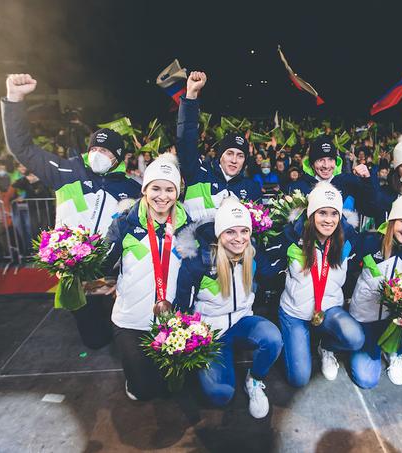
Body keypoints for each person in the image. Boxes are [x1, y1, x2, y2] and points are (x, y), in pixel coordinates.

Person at [2, 73, 141, 349]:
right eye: (96, 148)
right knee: (96, 341)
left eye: (108, 151)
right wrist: (15, 100)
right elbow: (23, 148)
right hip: (77, 276)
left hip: (115, 276)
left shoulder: (131, 188)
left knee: (123, 334)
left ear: (119, 158)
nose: (100, 154)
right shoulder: (66, 170)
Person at [174, 197, 282, 418]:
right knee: (220, 395)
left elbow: (271, 273)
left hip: (242, 321)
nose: (239, 238)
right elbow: (182, 307)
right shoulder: (199, 262)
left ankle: (254, 380)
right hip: (211, 331)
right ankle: (213, 365)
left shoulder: (251, 253)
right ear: (219, 233)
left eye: (244, 231)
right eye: (231, 232)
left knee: (273, 339)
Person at [103, 154, 190, 400]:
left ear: (177, 192)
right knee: (143, 390)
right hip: (132, 320)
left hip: (171, 322)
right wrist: (80, 259)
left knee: (172, 387)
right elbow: (103, 265)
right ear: (144, 189)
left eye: (169, 189)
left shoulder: (186, 226)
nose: (162, 196)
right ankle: (135, 380)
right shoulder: (125, 224)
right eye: (156, 188)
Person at [273, 182, 365, 387]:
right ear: (311, 213)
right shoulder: (291, 236)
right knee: (299, 379)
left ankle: (326, 346)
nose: (329, 220)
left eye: (334, 214)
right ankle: (291, 341)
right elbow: (267, 264)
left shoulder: (347, 240)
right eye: (322, 212)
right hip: (295, 313)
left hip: (328, 309)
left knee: (355, 338)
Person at [348, 188, 402, 388]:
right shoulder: (369, 242)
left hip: (395, 324)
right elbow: (345, 272)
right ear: (392, 221)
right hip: (366, 320)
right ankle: (370, 347)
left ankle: (393, 351)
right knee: (366, 379)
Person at [176, 72, 260, 222]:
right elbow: (185, 139)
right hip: (195, 245)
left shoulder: (251, 188)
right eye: (229, 153)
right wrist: (191, 95)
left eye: (240, 156)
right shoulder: (198, 173)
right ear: (220, 155)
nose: (234, 160)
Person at [286, 135, 371, 219]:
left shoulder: (348, 182)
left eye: (330, 159)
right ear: (312, 164)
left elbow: (371, 208)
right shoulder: (298, 188)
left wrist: (367, 180)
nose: (326, 166)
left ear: (336, 162)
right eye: (320, 160)